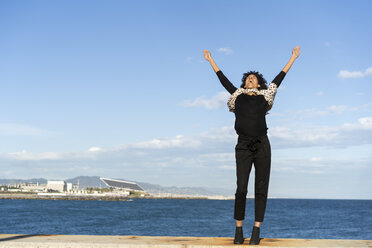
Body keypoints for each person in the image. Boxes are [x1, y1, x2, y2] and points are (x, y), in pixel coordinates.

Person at [203, 46, 301, 245]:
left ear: (259, 83)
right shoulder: (237, 94)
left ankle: (256, 229)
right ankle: (238, 230)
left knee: (261, 187)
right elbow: (223, 80)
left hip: (263, 144)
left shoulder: (266, 94)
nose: (250, 78)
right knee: (241, 188)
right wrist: (210, 60)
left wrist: (293, 57)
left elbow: (280, 77)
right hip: (243, 145)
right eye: (248, 77)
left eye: (254, 78)